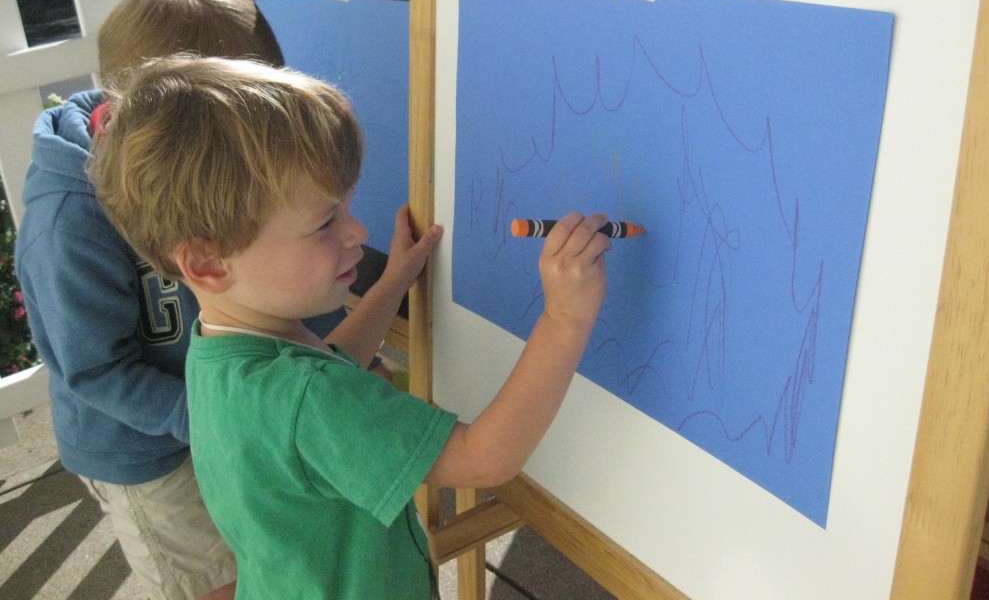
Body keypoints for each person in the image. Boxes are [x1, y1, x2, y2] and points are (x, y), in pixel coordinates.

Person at [89, 55, 611, 600]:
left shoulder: (221, 349)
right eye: (325, 222)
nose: (357, 231)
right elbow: (483, 459)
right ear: (208, 263)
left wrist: (394, 281)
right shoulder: (311, 398)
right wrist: (566, 317)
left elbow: (330, 360)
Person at [14, 0, 363, 600]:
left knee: (264, 566)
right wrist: (216, 420)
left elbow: (274, 288)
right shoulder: (70, 223)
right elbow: (94, 370)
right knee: (215, 584)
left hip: (230, 419)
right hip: (147, 456)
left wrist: (338, 360)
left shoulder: (223, 173)